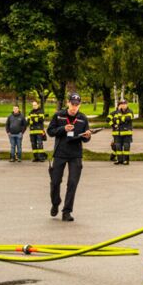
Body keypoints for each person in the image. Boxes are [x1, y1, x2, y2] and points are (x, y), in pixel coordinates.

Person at [46, 93, 92, 221]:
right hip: (60, 153)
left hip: (75, 155)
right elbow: (50, 132)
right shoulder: (58, 115)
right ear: (68, 103)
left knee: (72, 183)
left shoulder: (83, 118)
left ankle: (67, 211)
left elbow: (85, 138)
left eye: (77, 105)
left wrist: (87, 136)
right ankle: (55, 202)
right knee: (55, 182)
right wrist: (63, 129)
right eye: (72, 104)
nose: (74, 107)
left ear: (79, 105)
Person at [112, 99, 134, 165]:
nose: (123, 105)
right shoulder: (118, 112)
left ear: (127, 104)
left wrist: (120, 118)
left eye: (124, 104)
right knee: (118, 147)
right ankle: (119, 160)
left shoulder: (130, 111)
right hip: (118, 133)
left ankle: (126, 160)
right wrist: (120, 117)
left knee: (126, 147)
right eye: (122, 104)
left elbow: (128, 118)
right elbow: (115, 120)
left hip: (127, 133)